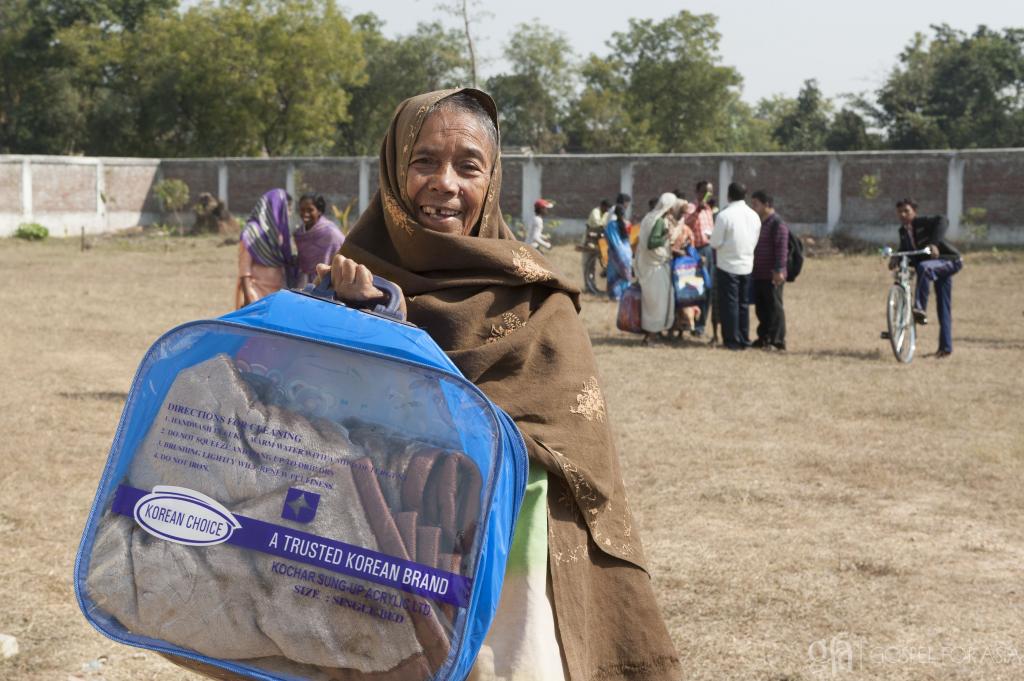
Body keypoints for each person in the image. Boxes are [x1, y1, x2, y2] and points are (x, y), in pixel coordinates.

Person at [315, 88, 680, 681]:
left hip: (504, 573)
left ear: (492, 180)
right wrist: (359, 317)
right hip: (355, 569)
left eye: (468, 165)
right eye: (424, 161)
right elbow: (294, 414)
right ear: (392, 169)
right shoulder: (343, 283)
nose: (445, 183)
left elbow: (574, 449)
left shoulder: (538, 302)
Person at [894, 198, 963, 358]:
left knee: (923, 268)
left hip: (948, 260)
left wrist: (934, 243)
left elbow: (943, 220)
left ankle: (920, 308)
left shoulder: (923, 223)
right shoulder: (902, 231)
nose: (903, 215)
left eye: (907, 211)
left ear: (914, 212)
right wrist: (896, 257)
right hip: (934, 268)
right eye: (900, 212)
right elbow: (905, 249)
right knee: (943, 306)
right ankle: (945, 349)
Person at [710, 182, 761, 350]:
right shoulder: (754, 215)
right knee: (743, 303)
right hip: (746, 264)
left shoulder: (724, 216)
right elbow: (754, 240)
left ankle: (732, 340)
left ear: (728, 195)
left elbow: (715, 242)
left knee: (729, 304)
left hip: (728, 265)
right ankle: (744, 337)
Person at [236, 188, 296, 308]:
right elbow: (244, 268)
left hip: (277, 293)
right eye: (287, 209)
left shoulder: (280, 234)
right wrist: (248, 298)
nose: (288, 214)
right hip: (256, 293)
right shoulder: (251, 232)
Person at [636, 192, 678, 346]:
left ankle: (651, 335)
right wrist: (666, 236)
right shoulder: (659, 221)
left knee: (651, 303)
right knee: (657, 304)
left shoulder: (650, 217)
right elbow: (652, 243)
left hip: (647, 265)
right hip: (655, 267)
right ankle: (651, 337)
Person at [749, 190, 788, 351]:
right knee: (762, 308)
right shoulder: (761, 223)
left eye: (756, 204)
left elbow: (781, 249)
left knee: (774, 307)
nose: (754, 207)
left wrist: (779, 270)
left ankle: (777, 341)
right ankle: (763, 337)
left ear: (767, 204)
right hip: (759, 273)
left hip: (772, 274)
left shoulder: (777, 224)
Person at [684, 179, 715, 336]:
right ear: (697, 193)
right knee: (695, 288)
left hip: (708, 249)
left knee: (708, 289)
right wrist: (697, 212)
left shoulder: (710, 209)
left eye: (709, 192)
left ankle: (701, 325)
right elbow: (685, 224)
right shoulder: (691, 207)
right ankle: (691, 322)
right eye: (704, 192)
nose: (706, 195)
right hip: (695, 251)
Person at [293, 193, 345, 288]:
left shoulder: (331, 233)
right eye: (302, 210)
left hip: (325, 283)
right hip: (303, 282)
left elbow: (342, 256)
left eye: (310, 210)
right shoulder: (299, 234)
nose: (305, 214)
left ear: (319, 211)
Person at [604, 204, 633, 300]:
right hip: (627, 253)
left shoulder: (611, 225)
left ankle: (615, 295)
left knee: (614, 274)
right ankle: (625, 295)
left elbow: (612, 240)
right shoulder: (628, 224)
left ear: (615, 213)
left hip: (616, 253)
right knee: (625, 275)